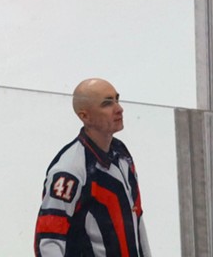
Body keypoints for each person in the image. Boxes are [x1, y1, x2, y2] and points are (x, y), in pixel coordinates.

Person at [34, 78, 153, 257]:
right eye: (107, 103)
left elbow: (137, 218)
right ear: (85, 116)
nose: (119, 109)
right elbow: (49, 240)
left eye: (117, 99)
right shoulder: (69, 169)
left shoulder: (122, 154)